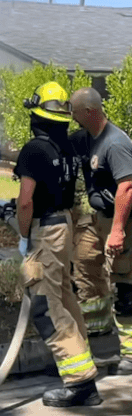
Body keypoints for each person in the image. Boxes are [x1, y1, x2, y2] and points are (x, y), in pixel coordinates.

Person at [15, 81, 101, 407]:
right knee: (64, 295)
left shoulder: (34, 149)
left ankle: (80, 383)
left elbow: (26, 203)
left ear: (36, 113)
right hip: (64, 225)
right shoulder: (65, 146)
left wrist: (24, 238)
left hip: (45, 231)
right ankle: (81, 361)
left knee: (45, 308)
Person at [70, 87, 132, 374]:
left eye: (74, 111)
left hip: (121, 220)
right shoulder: (85, 139)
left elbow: (127, 187)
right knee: (84, 269)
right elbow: (59, 148)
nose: (71, 116)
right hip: (96, 219)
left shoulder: (115, 143)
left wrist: (118, 230)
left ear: (89, 112)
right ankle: (102, 346)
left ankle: (130, 355)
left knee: (124, 284)